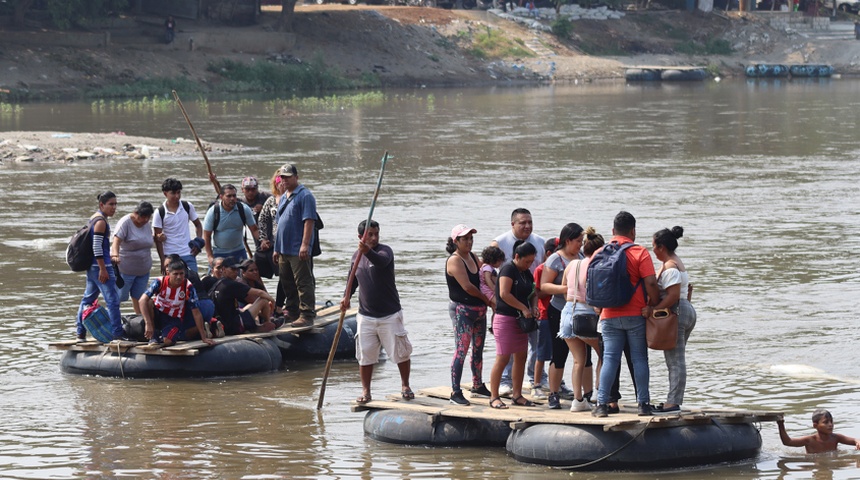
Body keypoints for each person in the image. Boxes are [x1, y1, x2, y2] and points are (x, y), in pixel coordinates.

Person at [593, 211, 660, 418]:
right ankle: (643, 404)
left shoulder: (599, 252)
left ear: (613, 231)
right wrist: (654, 303)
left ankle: (602, 405)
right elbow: (650, 282)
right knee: (639, 358)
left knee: (610, 359)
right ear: (633, 231)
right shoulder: (640, 252)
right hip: (636, 314)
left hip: (608, 315)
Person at [342, 220, 413, 405]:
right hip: (366, 315)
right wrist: (346, 297)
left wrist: (368, 251)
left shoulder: (384, 251)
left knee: (400, 352)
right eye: (369, 235)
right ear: (360, 237)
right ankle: (366, 392)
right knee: (365, 354)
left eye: (376, 234)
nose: (373, 238)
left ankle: (405, 385)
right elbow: (352, 280)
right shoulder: (356, 257)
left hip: (390, 314)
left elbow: (381, 262)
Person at [491, 208, 548, 396]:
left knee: (532, 347)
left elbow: (534, 286)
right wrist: (493, 298)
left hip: (527, 309)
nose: (527, 226)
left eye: (530, 222)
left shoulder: (538, 244)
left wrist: (532, 306)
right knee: (504, 354)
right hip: (507, 312)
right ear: (513, 224)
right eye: (523, 222)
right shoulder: (501, 245)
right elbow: (488, 273)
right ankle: (500, 388)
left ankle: (534, 381)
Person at [648, 226, 697, 413]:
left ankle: (673, 402)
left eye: (653, 246)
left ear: (661, 247)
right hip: (685, 310)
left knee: (675, 360)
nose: (652, 250)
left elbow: (673, 295)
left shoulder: (670, 267)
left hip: (678, 311)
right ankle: (672, 399)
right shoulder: (675, 262)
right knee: (676, 358)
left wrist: (653, 310)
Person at [445, 224, 492, 406]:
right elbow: (468, 287)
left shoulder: (472, 256)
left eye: (471, 238)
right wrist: (488, 300)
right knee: (461, 350)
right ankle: (455, 391)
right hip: (462, 311)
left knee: (478, 349)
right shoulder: (455, 260)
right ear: (456, 241)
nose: (469, 242)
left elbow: (483, 277)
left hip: (478, 310)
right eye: (465, 239)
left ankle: (477, 385)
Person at [488, 240, 538, 409]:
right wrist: (524, 308)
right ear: (517, 256)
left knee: (521, 357)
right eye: (526, 261)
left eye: (532, 262)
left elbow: (533, 291)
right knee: (503, 357)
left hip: (521, 321)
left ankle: (517, 394)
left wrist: (534, 306)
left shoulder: (526, 273)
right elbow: (504, 293)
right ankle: (494, 396)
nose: (529, 265)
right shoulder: (508, 269)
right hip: (506, 319)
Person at [540, 224, 585, 409]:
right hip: (558, 310)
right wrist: (567, 288)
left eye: (582, 242)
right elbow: (544, 286)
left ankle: (582, 394)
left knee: (583, 356)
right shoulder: (555, 259)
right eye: (578, 242)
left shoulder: (582, 257)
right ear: (568, 241)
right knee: (559, 355)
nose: (580, 246)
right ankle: (554, 393)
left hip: (580, 311)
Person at [560, 226, 604, 412]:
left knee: (578, 360)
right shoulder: (597, 266)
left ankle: (578, 401)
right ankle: (598, 394)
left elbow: (564, 290)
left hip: (568, 312)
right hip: (587, 315)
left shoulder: (572, 264)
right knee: (604, 355)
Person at [75, 192, 125, 341]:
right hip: (100, 267)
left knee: (87, 300)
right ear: (101, 205)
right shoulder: (101, 222)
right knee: (113, 301)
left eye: (115, 204)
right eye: (111, 204)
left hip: (93, 266)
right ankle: (117, 334)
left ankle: (80, 333)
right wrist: (103, 268)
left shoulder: (93, 218)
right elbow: (96, 246)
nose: (114, 207)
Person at [273, 164, 317, 327]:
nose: (285, 180)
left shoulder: (305, 196)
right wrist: (276, 248)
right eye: (282, 177)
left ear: (296, 177)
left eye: (288, 177)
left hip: (297, 247)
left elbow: (309, 221)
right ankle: (292, 311)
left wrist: (305, 245)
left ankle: (306, 314)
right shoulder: (284, 196)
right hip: (283, 248)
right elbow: (279, 224)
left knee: (303, 282)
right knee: (287, 282)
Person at [139, 258, 217, 347]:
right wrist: (148, 324)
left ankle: (163, 336)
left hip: (173, 318)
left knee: (168, 341)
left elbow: (196, 312)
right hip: (158, 313)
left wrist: (204, 338)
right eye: (175, 274)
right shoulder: (159, 282)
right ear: (168, 274)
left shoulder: (188, 286)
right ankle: (153, 336)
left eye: (181, 274)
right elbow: (142, 300)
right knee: (148, 302)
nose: (179, 277)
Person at [210, 256, 279, 335]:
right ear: (224, 269)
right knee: (263, 300)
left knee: (249, 306)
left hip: (223, 323)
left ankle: (257, 325)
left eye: (237, 269)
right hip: (235, 325)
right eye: (233, 269)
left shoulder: (217, 284)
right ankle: (268, 322)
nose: (236, 272)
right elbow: (260, 293)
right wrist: (273, 301)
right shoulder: (231, 284)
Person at [111, 201, 154, 315]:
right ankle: (113, 323)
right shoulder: (125, 223)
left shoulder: (147, 224)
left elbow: (146, 240)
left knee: (140, 298)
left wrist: (157, 237)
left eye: (148, 217)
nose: (145, 220)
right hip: (125, 271)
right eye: (143, 217)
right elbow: (116, 242)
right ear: (135, 213)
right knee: (117, 298)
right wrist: (115, 255)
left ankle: (139, 321)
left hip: (143, 271)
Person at [153, 178, 204, 273]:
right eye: (173, 193)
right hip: (169, 256)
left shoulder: (187, 206)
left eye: (178, 192)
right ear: (165, 193)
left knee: (193, 284)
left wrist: (198, 242)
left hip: (188, 254)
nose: (177, 196)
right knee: (172, 286)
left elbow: (198, 225)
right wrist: (162, 260)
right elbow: (158, 239)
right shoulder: (159, 212)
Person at [204, 183, 259, 266]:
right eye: (229, 196)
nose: (232, 199)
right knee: (215, 278)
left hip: (239, 252)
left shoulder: (243, 209)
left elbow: (254, 229)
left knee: (243, 278)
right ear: (221, 197)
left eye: (234, 196)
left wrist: (263, 241)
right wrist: (210, 256)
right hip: (219, 253)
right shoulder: (213, 212)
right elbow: (206, 236)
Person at [531, 238, 558, 401]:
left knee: (558, 352)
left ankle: (557, 383)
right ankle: (536, 385)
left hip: (558, 314)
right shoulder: (541, 269)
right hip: (544, 314)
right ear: (549, 253)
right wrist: (554, 287)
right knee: (541, 352)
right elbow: (538, 293)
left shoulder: (561, 267)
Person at [257, 169, 288, 315]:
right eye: (278, 180)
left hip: (291, 243)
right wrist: (263, 239)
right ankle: (278, 306)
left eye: (284, 179)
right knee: (283, 275)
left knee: (291, 276)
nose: (281, 183)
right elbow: (262, 220)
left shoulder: (295, 198)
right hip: (276, 244)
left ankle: (292, 305)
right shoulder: (270, 200)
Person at [778, 410, 860, 453]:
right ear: (815, 425)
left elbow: (854, 440)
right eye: (826, 422)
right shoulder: (809, 440)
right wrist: (781, 424)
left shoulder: (836, 438)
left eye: (831, 421)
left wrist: (858, 442)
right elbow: (787, 442)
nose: (830, 424)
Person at [480, 246, 505, 311]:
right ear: (493, 260)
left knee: (495, 308)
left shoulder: (488, 267)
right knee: (498, 305)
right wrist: (494, 288)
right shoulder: (487, 267)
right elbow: (487, 279)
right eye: (499, 261)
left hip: (487, 289)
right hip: (487, 290)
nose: (500, 263)